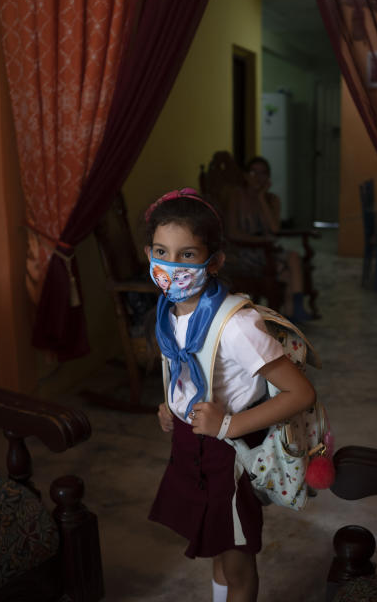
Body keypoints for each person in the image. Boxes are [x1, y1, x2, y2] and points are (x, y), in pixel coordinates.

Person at [145, 188, 317, 602]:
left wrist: (228, 424)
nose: (171, 265)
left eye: (187, 255)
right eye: (160, 251)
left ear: (214, 260)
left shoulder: (237, 326)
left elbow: (300, 392)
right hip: (192, 444)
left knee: (237, 559)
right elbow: (187, 366)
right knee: (217, 548)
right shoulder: (171, 310)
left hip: (229, 454)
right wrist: (172, 404)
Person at [223, 156, 312, 322]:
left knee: (292, 258)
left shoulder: (272, 199)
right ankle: (291, 312)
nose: (258, 177)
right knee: (287, 274)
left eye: (263, 173)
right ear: (246, 175)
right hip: (244, 252)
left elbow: (274, 229)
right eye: (253, 172)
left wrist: (262, 198)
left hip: (268, 251)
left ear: (268, 177)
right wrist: (259, 241)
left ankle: (293, 310)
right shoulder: (237, 196)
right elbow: (233, 232)